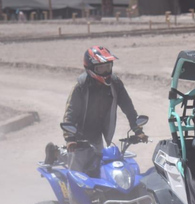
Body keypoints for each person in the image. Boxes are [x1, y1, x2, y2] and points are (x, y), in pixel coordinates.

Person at [63, 46, 147, 176]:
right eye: (101, 68)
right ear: (90, 68)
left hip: (98, 135)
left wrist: (137, 129)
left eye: (108, 66)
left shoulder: (115, 83)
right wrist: (70, 139)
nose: (106, 71)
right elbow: (70, 113)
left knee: (103, 169)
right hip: (79, 136)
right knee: (77, 175)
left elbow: (128, 107)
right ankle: (73, 196)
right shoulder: (81, 86)